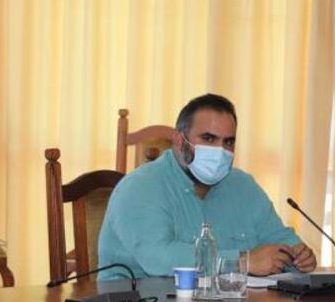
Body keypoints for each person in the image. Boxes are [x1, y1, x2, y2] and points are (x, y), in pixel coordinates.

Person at [97, 94, 317, 278]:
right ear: (179, 141)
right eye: (209, 139)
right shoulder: (140, 187)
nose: (220, 151)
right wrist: (242, 262)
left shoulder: (244, 186)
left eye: (228, 142)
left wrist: (299, 256)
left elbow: (281, 241)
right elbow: (159, 258)